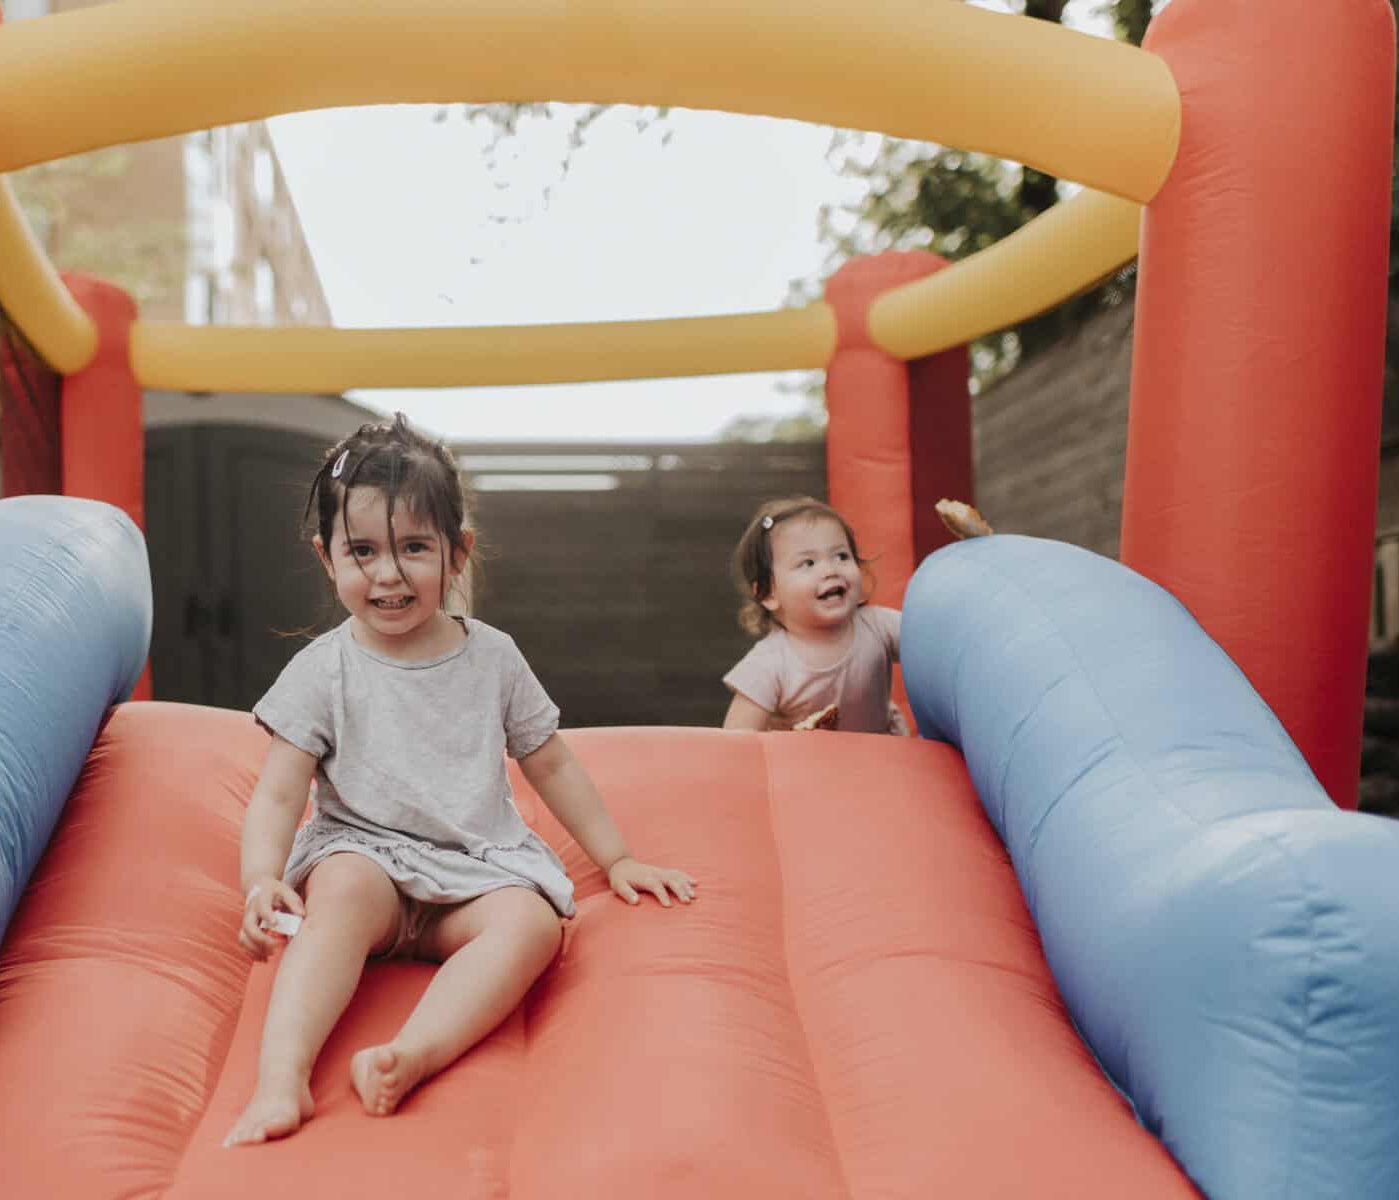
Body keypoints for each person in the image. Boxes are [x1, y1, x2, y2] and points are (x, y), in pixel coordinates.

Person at [225, 414, 696, 1147]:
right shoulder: (324, 667)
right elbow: (280, 791)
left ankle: (414, 1054)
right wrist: (262, 878)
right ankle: (281, 1081)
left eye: (414, 548)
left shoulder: (493, 658)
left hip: (472, 871)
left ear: (457, 552)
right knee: (342, 890)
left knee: (532, 925)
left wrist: (617, 858)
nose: (388, 574)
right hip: (366, 860)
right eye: (363, 551)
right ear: (328, 559)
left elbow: (552, 761)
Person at [720, 496, 906, 735]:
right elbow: (736, 742)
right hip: (804, 768)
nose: (830, 570)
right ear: (768, 593)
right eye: (808, 563)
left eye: (841, 556)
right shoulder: (769, 664)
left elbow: (935, 646)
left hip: (881, 756)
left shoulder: (879, 626)